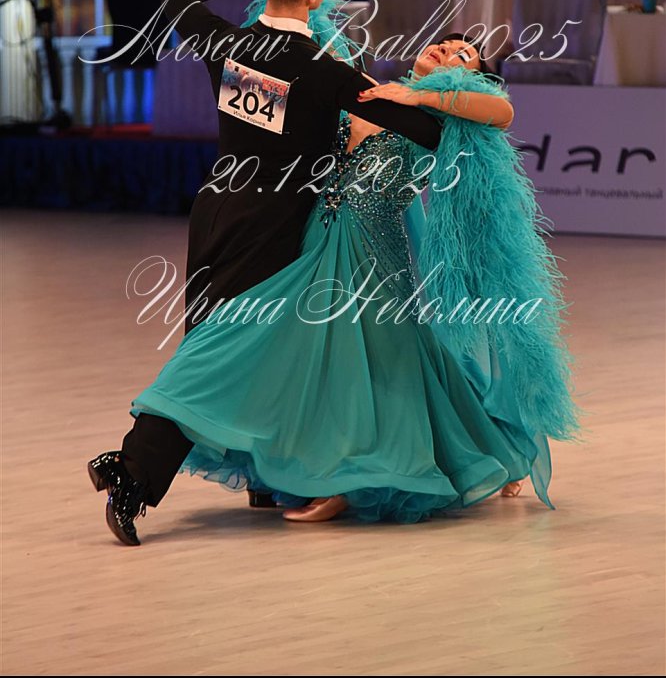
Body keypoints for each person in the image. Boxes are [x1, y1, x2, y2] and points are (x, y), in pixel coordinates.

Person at [129, 33, 578, 526]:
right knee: (281, 348)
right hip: (312, 239)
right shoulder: (367, 89)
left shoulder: (444, 118)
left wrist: (420, 97)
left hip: (371, 255)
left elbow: (503, 113)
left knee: (361, 369)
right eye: (444, 43)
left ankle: (348, 481)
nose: (445, 51)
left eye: (461, 56)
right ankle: (276, 462)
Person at [88, 0, 445, 545]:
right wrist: (440, 92)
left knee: (234, 345)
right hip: (277, 224)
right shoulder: (325, 71)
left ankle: (260, 474)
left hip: (216, 212)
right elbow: (427, 131)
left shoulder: (225, 41)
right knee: (222, 351)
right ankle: (132, 471)